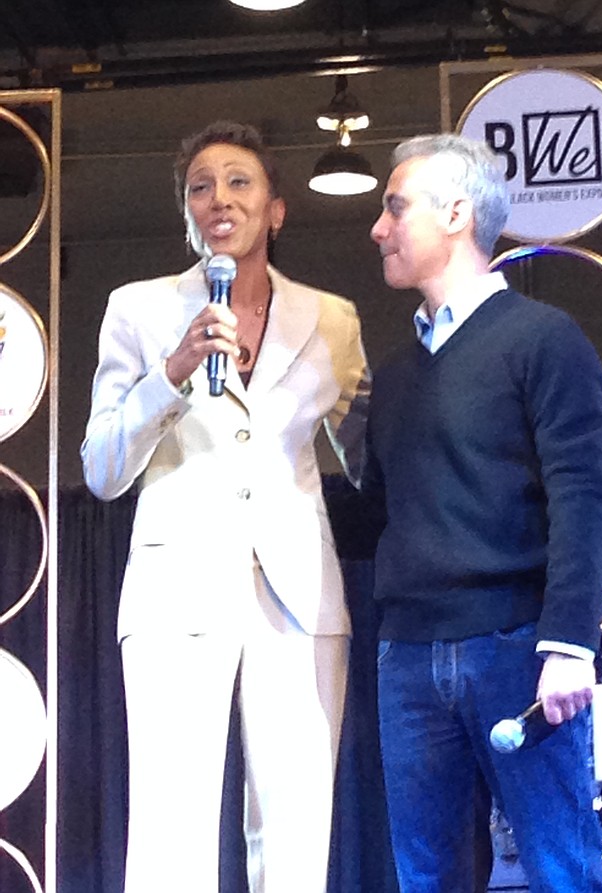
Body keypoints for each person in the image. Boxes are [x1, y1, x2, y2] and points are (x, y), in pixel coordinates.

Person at [81, 120, 370, 893]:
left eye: (239, 181)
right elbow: (103, 467)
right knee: (170, 831)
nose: (220, 198)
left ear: (275, 209)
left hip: (297, 596)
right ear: (187, 213)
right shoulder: (138, 309)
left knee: (298, 828)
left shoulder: (332, 318)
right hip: (177, 593)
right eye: (200, 186)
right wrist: (170, 373)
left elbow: (366, 454)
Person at [363, 132, 602, 893]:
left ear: (456, 213)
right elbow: (374, 520)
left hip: (516, 646)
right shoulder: (396, 374)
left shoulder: (544, 339)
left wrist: (569, 640)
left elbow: (584, 493)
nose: (378, 227)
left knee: (562, 869)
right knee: (427, 878)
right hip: (407, 655)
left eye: (394, 206)